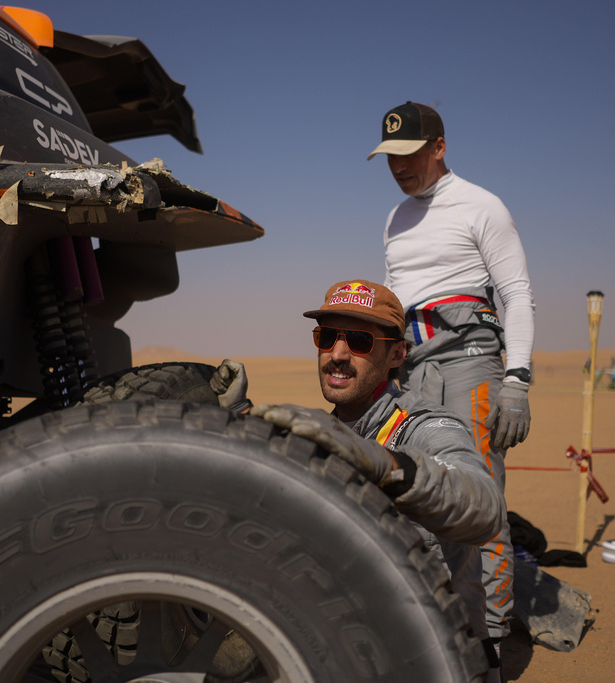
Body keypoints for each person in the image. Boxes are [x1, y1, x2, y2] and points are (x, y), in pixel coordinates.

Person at [211, 279, 506, 674]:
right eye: (327, 336)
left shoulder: (425, 427)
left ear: (396, 354)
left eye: (360, 341)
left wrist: (386, 466)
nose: (337, 354)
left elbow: (485, 507)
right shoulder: (330, 435)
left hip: (436, 659)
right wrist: (241, 412)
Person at [367, 101, 536, 663]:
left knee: (477, 500)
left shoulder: (481, 206)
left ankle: (484, 642)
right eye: (390, 157)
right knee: (417, 493)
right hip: (411, 365)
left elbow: (516, 294)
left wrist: (517, 379)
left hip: (470, 360)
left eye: (410, 154)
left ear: (439, 146)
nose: (399, 167)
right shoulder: (394, 219)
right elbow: (394, 302)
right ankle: (433, 630)